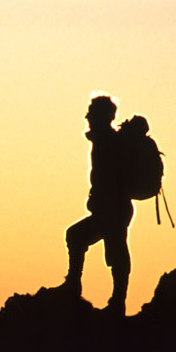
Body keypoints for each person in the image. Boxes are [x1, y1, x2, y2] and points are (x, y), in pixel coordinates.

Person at [62, 95, 134, 314]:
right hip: (111, 208)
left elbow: (110, 178)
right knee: (82, 238)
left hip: (114, 209)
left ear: (102, 117)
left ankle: (116, 301)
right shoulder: (103, 141)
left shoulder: (109, 143)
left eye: (91, 113)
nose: (87, 117)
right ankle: (76, 288)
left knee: (114, 252)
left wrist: (101, 200)